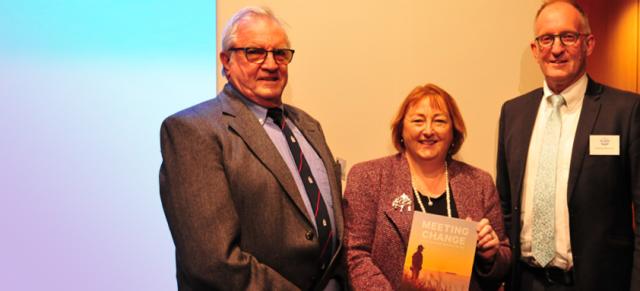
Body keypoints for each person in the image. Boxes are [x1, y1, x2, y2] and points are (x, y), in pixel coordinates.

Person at [159, 7, 345, 291]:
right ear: (227, 61)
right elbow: (212, 262)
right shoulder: (193, 131)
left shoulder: (309, 126)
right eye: (254, 52)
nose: (271, 64)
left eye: (280, 53)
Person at [496, 1, 640, 290]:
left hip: (598, 282)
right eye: (547, 38)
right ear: (535, 50)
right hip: (525, 281)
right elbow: (505, 204)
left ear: (588, 43)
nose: (557, 48)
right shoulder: (513, 113)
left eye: (568, 37)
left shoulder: (625, 111)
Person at [343, 83, 511, 290]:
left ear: (453, 133)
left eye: (439, 121)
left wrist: (490, 256)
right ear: (401, 129)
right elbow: (355, 254)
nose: (428, 130)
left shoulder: (480, 183)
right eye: (418, 121)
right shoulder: (368, 177)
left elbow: (502, 259)